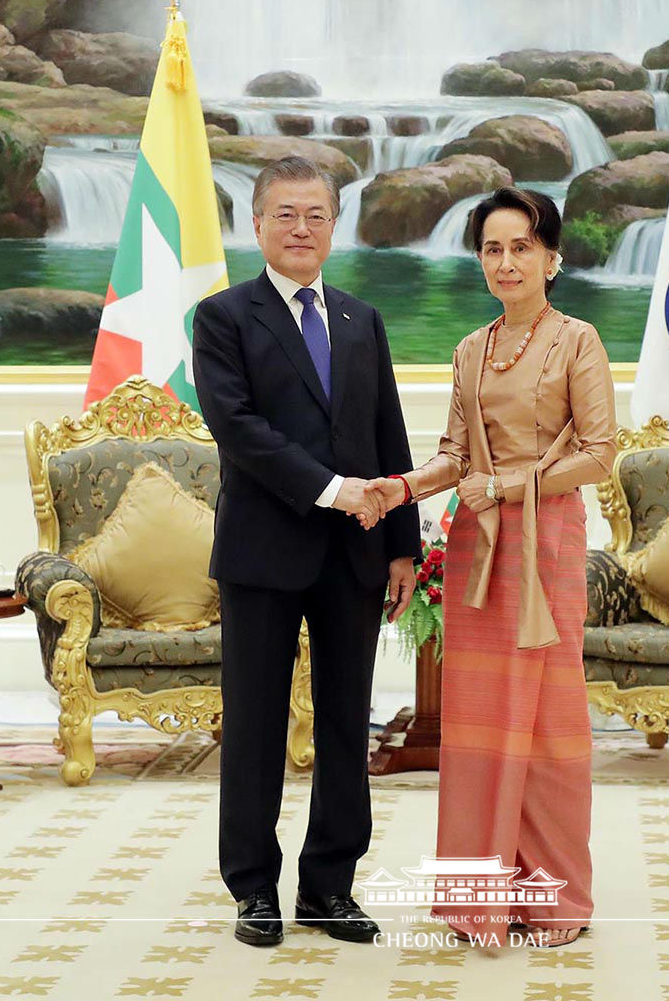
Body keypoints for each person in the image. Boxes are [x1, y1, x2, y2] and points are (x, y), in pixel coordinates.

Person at [364, 186, 617, 949]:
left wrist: (510, 485)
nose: (505, 262)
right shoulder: (470, 349)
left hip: (545, 546)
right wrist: (398, 488)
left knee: (545, 724)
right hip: (475, 547)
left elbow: (601, 455)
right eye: (491, 249)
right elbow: (454, 456)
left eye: (520, 247)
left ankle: (555, 903)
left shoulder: (578, 340)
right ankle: (480, 897)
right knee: (475, 728)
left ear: (551, 257)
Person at [192, 155, 420, 948]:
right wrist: (332, 488)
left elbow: (387, 433)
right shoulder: (223, 317)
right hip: (262, 551)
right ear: (255, 224)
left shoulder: (361, 318)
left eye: (315, 214)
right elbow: (238, 430)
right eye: (284, 214)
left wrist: (402, 546)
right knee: (253, 725)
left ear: (333, 225)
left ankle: (329, 888)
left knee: (343, 726)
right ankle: (253, 889)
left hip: (355, 553)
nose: (300, 228)